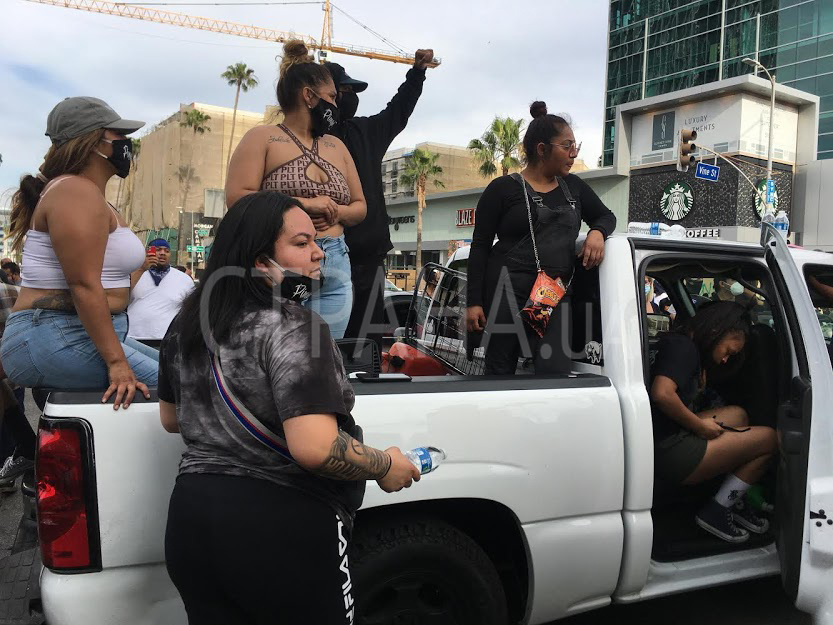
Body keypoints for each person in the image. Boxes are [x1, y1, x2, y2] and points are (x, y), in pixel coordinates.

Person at [160, 191, 420, 624]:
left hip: (191, 519)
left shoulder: (186, 323)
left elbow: (172, 418)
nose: (319, 252)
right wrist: (385, 465)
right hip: (279, 524)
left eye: (315, 240)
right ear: (261, 261)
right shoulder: (297, 326)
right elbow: (316, 448)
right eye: (302, 243)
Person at [0, 96, 157, 410]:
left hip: (72, 331)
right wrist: (116, 362)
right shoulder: (75, 190)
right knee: (185, 389)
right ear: (92, 142)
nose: (126, 142)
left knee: (184, 374)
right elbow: (83, 284)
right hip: (52, 334)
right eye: (118, 134)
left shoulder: (86, 194)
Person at [226, 40, 367, 340]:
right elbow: (237, 197)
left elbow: (360, 207)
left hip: (334, 262)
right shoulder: (263, 137)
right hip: (281, 264)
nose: (336, 105)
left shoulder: (336, 145)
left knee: (324, 355)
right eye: (332, 96)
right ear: (309, 96)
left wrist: (335, 211)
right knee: (278, 352)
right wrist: (304, 204)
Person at [466, 102, 617, 375]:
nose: (573, 154)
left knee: (555, 374)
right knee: (499, 376)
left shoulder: (574, 187)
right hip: (506, 295)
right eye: (567, 146)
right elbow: (480, 247)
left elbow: (606, 216)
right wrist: (474, 302)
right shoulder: (502, 189)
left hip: (553, 296)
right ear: (542, 149)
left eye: (575, 146)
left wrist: (598, 232)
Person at [324, 49, 435, 349]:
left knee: (364, 348)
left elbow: (398, 110)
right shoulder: (306, 138)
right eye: (343, 90)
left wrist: (417, 72)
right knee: (322, 347)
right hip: (323, 259)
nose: (350, 96)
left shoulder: (365, 131)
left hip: (368, 260)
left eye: (352, 91)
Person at [650, 301, 778, 543]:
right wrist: (700, 427)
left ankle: (733, 494)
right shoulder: (684, 348)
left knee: (739, 415)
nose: (727, 360)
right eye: (728, 352)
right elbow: (662, 394)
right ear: (716, 331)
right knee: (770, 439)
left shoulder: (681, 343)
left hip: (660, 434)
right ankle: (718, 509)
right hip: (668, 449)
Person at [127, 239, 194, 341]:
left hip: (168, 340)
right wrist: (141, 269)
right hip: (133, 337)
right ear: (148, 252)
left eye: (167, 251)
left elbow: (190, 310)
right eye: (158, 250)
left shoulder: (184, 279)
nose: (162, 253)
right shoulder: (134, 273)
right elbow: (121, 296)